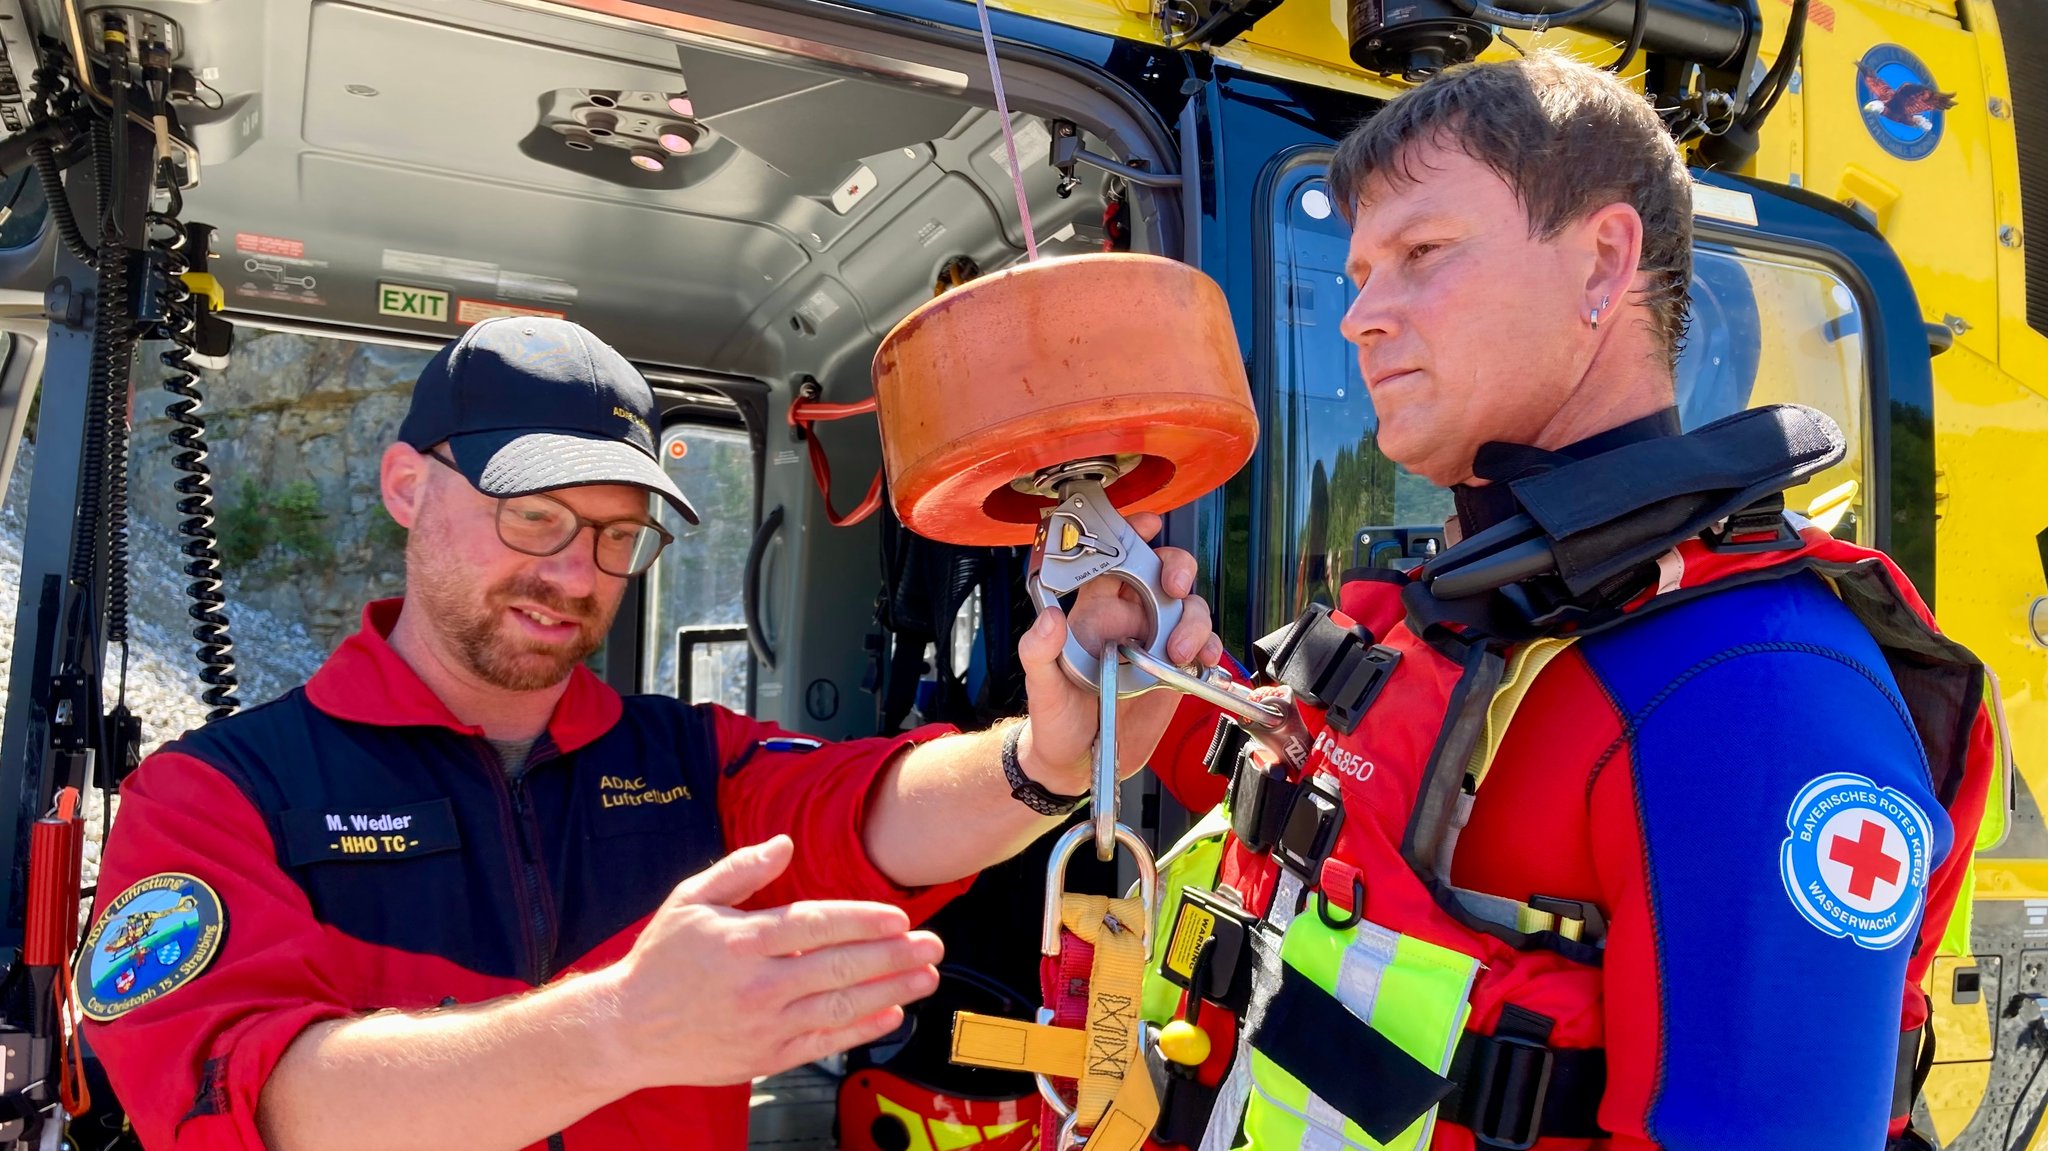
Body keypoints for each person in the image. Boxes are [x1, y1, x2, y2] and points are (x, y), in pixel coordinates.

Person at [79, 316, 1223, 1151]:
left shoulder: (684, 760)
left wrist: (1051, 758)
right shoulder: (214, 796)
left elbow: (856, 809)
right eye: (534, 515)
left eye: (617, 536)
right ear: (405, 485)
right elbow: (250, 1102)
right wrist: (617, 1030)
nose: (574, 572)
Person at [1139, 53, 1992, 1151]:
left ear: (1601, 263)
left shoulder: (1752, 690)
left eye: (1419, 255)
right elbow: (1336, 811)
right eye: (1356, 274)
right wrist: (1137, 666)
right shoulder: (1458, 610)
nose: (1360, 317)